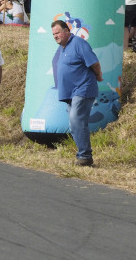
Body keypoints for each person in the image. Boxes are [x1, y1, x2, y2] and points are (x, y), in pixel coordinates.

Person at [50, 20, 103, 167]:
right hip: (70, 93)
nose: (55, 36)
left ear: (67, 31)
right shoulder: (63, 48)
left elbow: (94, 63)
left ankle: (84, 156)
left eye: (58, 32)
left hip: (83, 89)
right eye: (53, 34)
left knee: (76, 120)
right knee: (75, 125)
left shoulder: (79, 43)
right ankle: (84, 155)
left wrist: (98, 75)